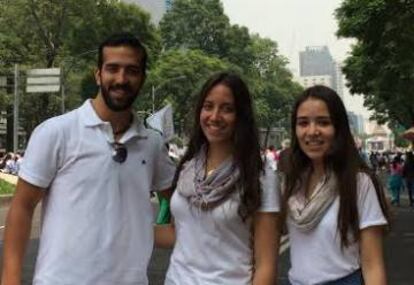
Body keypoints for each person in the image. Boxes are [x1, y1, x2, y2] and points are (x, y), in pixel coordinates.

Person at [1, 33, 175, 285]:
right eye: (112, 69)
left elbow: (186, 209)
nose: (121, 79)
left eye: (132, 71)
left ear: (142, 78)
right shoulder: (56, 132)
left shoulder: (153, 144)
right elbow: (22, 208)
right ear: (98, 74)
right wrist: (10, 279)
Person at [156, 72, 281, 284]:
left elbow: (266, 265)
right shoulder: (188, 169)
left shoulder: (260, 177)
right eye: (208, 106)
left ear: (241, 116)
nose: (214, 116)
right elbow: (182, 234)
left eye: (227, 109)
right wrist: (125, 224)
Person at [283, 85, 389, 285]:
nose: (312, 132)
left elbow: (373, 265)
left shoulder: (359, 183)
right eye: (303, 123)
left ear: (338, 128)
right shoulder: (291, 183)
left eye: (323, 122)